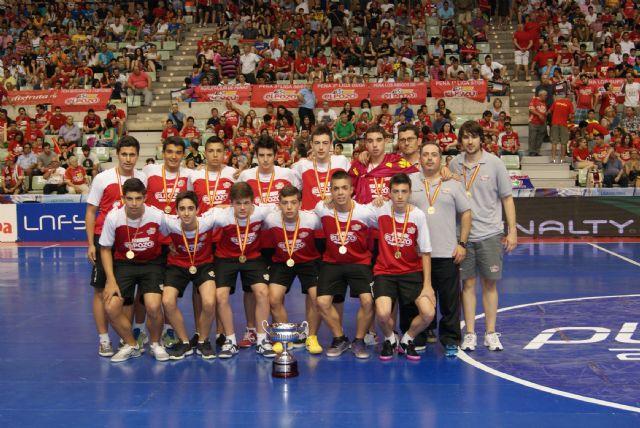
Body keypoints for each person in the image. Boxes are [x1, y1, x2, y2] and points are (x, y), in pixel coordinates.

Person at [448, 121, 517, 352]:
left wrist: (512, 230)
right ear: (460, 141)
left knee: (489, 285)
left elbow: (507, 198)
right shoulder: (454, 164)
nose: (470, 142)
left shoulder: (495, 164)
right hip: (463, 236)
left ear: (481, 140)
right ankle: (469, 333)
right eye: (465, 137)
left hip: (489, 233)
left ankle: (490, 332)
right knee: (467, 285)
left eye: (474, 137)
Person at [85, 137, 147, 357]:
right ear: (117, 155)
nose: (128, 159)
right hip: (105, 241)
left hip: (131, 241)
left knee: (127, 293)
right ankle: (103, 339)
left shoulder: (143, 178)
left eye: (132, 154)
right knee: (101, 290)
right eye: (124, 154)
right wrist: (91, 243)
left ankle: (125, 337)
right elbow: (91, 211)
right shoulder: (103, 178)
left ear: (137, 155)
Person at [236, 136, 300, 347]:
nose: (265, 160)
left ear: (276, 156)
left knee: (274, 290)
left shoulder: (287, 175)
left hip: (279, 240)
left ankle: (275, 329)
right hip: (252, 240)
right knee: (250, 290)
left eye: (269, 155)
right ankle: (251, 329)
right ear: (255, 156)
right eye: (261, 155)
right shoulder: (245, 176)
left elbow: (298, 199)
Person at [409, 141, 472, 357]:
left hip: (446, 252)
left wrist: (462, 243)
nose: (429, 158)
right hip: (416, 254)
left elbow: (466, 213)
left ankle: (450, 339)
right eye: (425, 154)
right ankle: (418, 335)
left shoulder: (453, 184)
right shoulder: (410, 182)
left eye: (433, 155)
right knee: (417, 299)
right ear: (419, 158)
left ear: (440, 158)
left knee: (449, 301)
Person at [99, 178, 168, 362]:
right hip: (124, 264)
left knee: (153, 306)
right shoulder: (114, 217)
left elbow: (174, 232)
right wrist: (111, 280)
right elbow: (105, 249)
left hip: (151, 264)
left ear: (145, 197)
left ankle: (155, 344)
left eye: (138, 198)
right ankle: (131, 344)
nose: (134, 203)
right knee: (111, 306)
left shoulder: (157, 215)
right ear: (123, 198)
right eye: (130, 199)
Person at [314, 171, 377, 359]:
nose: (340, 193)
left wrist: (382, 201)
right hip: (332, 262)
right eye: (335, 189)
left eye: (344, 188)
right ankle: (340, 338)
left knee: (368, 301)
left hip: (359, 262)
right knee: (322, 302)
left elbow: (388, 220)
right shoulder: (322, 208)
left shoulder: (365, 212)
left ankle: (358, 341)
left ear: (351, 190)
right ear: (330, 191)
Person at [373, 173, 436, 361]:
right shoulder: (380, 210)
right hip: (385, 272)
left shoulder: (417, 215)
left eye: (404, 192)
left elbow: (425, 251)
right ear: (389, 193)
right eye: (396, 192)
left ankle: (407, 339)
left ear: (409, 193)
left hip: (411, 272)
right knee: (383, 314)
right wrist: (328, 200)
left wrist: (427, 285)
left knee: (428, 313)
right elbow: (351, 209)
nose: (399, 196)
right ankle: (391, 339)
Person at [212, 182, 276, 359]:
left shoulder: (262, 211)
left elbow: (286, 208)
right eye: (238, 203)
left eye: (246, 203)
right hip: (225, 258)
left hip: (252, 256)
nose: (242, 208)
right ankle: (230, 340)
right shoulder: (220, 215)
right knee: (220, 296)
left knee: (263, 292)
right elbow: (195, 223)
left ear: (252, 202)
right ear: (231, 202)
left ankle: (262, 339)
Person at [263, 185, 324, 354]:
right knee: (274, 298)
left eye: (293, 202)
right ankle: (285, 337)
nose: (289, 207)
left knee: (316, 298)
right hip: (282, 261)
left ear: (300, 204)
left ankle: (311, 337)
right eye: (285, 203)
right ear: (279, 204)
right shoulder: (270, 219)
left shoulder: (312, 219)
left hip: (309, 261)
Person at [159, 191, 219, 360]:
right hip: (177, 265)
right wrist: (167, 243)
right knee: (167, 301)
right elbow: (154, 227)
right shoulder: (169, 222)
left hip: (204, 264)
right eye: (182, 209)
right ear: (176, 211)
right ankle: (184, 342)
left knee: (209, 301)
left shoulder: (208, 221)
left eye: (191, 209)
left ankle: (202, 341)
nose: (186, 213)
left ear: (198, 210)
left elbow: (228, 210)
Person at [292, 125, 350, 211]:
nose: (321, 147)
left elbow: (357, 180)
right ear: (311, 144)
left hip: (335, 216)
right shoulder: (302, 165)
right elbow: (291, 191)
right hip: (310, 218)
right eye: (317, 143)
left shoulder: (341, 161)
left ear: (331, 144)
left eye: (325, 143)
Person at [548, 94, 574, 163]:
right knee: (563, 142)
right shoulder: (569, 103)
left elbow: (549, 111)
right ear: (570, 98)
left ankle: (553, 159)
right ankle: (563, 159)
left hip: (554, 123)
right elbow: (571, 116)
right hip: (563, 124)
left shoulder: (556, 102)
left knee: (554, 142)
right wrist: (569, 119)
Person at [528, 90, 548, 156]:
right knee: (532, 137)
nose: (546, 97)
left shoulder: (544, 102)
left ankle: (536, 151)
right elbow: (531, 109)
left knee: (540, 138)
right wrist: (539, 115)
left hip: (542, 123)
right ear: (540, 95)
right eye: (545, 95)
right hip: (533, 122)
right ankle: (531, 151)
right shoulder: (534, 100)